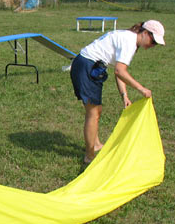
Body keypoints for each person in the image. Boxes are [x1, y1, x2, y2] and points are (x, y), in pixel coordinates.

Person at [70, 20, 165, 164]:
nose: (152, 46)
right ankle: (89, 157)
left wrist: (124, 95)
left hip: (89, 65)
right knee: (93, 113)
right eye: (153, 41)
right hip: (87, 66)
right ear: (145, 33)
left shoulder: (129, 38)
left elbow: (119, 72)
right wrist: (141, 89)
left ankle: (95, 145)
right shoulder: (129, 42)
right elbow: (120, 71)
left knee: (96, 111)